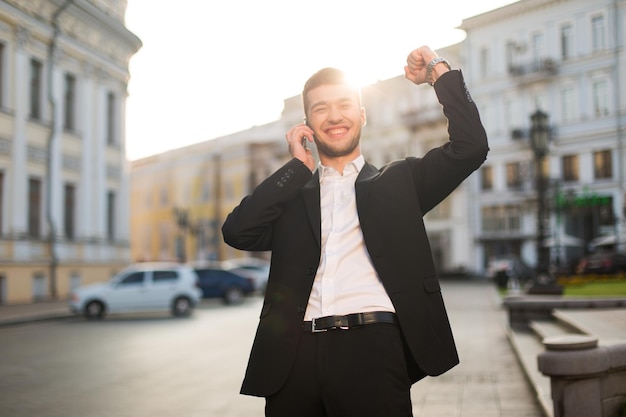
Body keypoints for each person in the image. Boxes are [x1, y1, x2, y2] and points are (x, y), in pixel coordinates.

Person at [221, 45, 489, 417]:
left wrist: (437, 71)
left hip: (374, 351)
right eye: (320, 109)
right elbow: (238, 231)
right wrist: (297, 168)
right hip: (294, 359)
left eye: (344, 104)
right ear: (307, 126)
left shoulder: (400, 182)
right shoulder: (294, 198)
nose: (334, 116)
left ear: (362, 115)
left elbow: (471, 147)